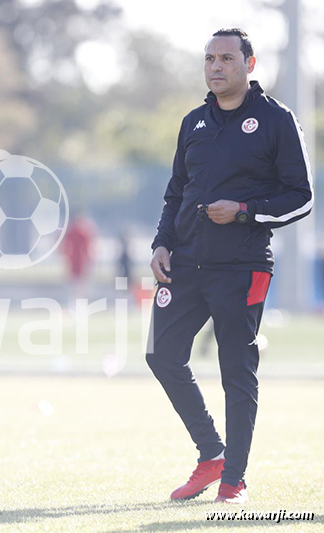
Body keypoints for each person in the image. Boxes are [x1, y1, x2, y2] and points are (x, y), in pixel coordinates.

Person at [147, 28, 313, 504]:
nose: (216, 67)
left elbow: (300, 199)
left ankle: (233, 479)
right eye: (209, 59)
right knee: (162, 355)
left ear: (250, 64)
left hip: (243, 267)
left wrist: (244, 210)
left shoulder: (277, 120)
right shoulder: (193, 122)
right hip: (184, 263)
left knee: (236, 371)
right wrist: (162, 243)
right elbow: (176, 191)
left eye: (226, 58)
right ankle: (211, 454)